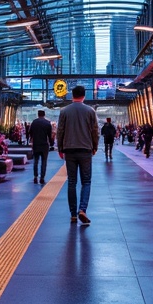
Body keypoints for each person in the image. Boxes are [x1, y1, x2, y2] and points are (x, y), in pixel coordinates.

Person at [57, 86, 98, 224]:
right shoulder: (90, 111)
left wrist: (60, 148)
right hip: (86, 149)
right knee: (86, 181)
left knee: (72, 182)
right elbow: (95, 131)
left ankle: (73, 214)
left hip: (69, 150)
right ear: (84, 96)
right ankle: (82, 210)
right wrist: (95, 146)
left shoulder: (64, 111)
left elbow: (60, 131)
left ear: (71, 95)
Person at [29, 109, 52, 184]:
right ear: (44, 115)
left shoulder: (34, 122)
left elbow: (30, 133)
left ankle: (35, 177)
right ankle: (42, 177)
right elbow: (50, 135)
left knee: (36, 161)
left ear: (38, 114)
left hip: (36, 144)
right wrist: (51, 144)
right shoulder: (47, 123)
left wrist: (30, 140)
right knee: (44, 161)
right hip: (44, 145)